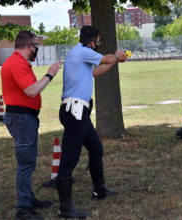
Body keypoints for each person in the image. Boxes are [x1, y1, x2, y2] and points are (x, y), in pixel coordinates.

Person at [55, 25, 126, 218]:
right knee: (69, 159)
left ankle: (99, 190)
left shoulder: (81, 55)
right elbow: (107, 58)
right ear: (92, 41)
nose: (99, 44)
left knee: (96, 148)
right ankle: (65, 208)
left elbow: (97, 71)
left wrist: (116, 61)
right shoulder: (83, 52)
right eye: (98, 41)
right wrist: (117, 56)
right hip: (75, 111)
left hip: (80, 112)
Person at [1, 30, 63, 220]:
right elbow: (31, 90)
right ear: (29, 45)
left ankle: (28, 199)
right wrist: (50, 74)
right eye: (36, 45)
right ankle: (23, 209)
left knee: (28, 162)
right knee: (25, 165)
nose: (37, 49)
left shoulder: (17, 61)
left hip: (24, 118)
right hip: (21, 120)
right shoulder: (17, 63)